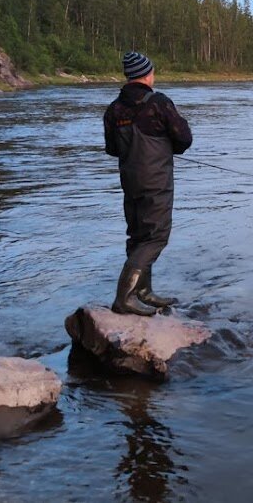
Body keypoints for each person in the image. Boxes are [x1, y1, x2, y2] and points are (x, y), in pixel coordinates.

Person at [103, 51, 193, 315]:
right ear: (147, 74)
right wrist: (167, 147)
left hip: (129, 181)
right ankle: (124, 297)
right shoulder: (158, 103)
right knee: (156, 236)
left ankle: (143, 292)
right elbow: (184, 138)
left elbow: (112, 149)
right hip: (156, 181)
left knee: (138, 236)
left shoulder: (114, 109)